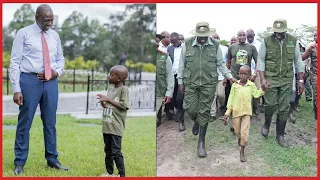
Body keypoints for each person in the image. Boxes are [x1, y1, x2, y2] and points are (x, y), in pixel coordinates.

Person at [9, 4, 68, 175]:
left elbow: (60, 59)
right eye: (46, 20)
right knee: (24, 123)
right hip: (29, 80)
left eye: (51, 20)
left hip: (51, 82)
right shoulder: (24, 33)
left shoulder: (55, 35)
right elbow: (14, 62)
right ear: (37, 17)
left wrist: (57, 72)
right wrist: (16, 89)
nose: (49, 23)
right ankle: (19, 162)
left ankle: (52, 160)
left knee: (50, 123)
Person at [178, 22, 236, 157]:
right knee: (190, 108)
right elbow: (182, 64)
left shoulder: (215, 45)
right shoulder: (187, 43)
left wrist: (229, 76)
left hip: (208, 83)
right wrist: (180, 81)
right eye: (200, 35)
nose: (203, 38)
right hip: (191, 82)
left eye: (205, 35)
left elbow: (220, 64)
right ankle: (196, 121)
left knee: (204, 111)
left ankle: (201, 143)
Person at [259, 19, 305, 147]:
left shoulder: (293, 41)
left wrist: (300, 80)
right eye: (276, 32)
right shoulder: (266, 41)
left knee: (284, 107)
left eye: (281, 32)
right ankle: (267, 123)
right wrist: (262, 79)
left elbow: (298, 61)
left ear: (285, 30)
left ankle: (280, 135)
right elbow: (261, 61)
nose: (278, 34)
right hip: (270, 78)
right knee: (270, 104)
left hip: (286, 78)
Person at [223, 65, 264, 162]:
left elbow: (256, 94)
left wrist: (263, 90)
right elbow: (230, 100)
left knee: (244, 133)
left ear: (249, 75)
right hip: (236, 112)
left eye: (245, 74)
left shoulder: (251, 85)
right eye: (241, 73)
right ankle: (239, 138)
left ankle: (242, 151)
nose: (243, 76)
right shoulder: (234, 85)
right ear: (238, 74)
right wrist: (227, 114)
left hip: (247, 112)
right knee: (237, 131)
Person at [97, 65, 129, 177]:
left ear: (119, 78)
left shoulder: (124, 90)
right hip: (107, 126)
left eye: (111, 75)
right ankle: (109, 173)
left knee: (116, 152)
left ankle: (122, 174)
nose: (108, 76)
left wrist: (108, 99)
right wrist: (103, 102)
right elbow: (108, 105)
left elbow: (124, 106)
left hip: (116, 127)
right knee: (108, 151)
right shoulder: (111, 89)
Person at [167, 32, 186, 131]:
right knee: (173, 97)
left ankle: (181, 121)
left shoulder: (185, 48)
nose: (173, 44)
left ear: (179, 39)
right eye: (171, 42)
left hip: (182, 76)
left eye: (174, 42)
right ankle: (176, 111)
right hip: (172, 75)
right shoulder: (169, 48)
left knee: (179, 97)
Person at [156, 38, 174, 127]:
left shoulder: (165, 57)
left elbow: (169, 75)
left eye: (156, 41)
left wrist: (169, 93)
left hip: (159, 93)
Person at [302, 31, 317, 120]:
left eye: (317, 35)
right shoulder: (312, 47)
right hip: (315, 74)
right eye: (314, 36)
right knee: (316, 93)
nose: (315, 37)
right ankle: (316, 113)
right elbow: (303, 57)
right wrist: (307, 50)